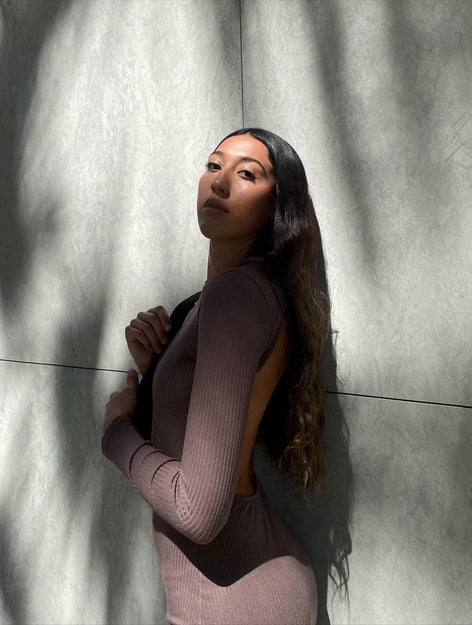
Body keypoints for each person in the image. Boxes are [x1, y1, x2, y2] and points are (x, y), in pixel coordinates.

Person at [101, 128, 350, 625]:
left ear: (276, 209)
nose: (219, 182)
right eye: (214, 165)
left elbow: (198, 511)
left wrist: (115, 432)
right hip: (246, 583)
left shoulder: (235, 296)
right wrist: (158, 372)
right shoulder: (225, 297)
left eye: (247, 174)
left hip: (234, 600)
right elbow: (208, 430)